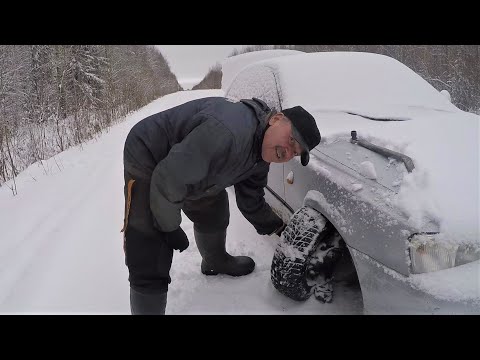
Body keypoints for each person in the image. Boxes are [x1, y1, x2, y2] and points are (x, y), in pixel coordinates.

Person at [121, 97, 321, 315]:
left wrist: (280, 228)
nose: (288, 152)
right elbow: (169, 178)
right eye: (291, 140)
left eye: (296, 152)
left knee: (213, 210)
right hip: (150, 154)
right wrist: (170, 227)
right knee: (149, 244)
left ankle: (215, 261)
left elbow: (251, 198)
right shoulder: (227, 132)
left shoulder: (260, 155)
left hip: (189, 164)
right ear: (276, 119)